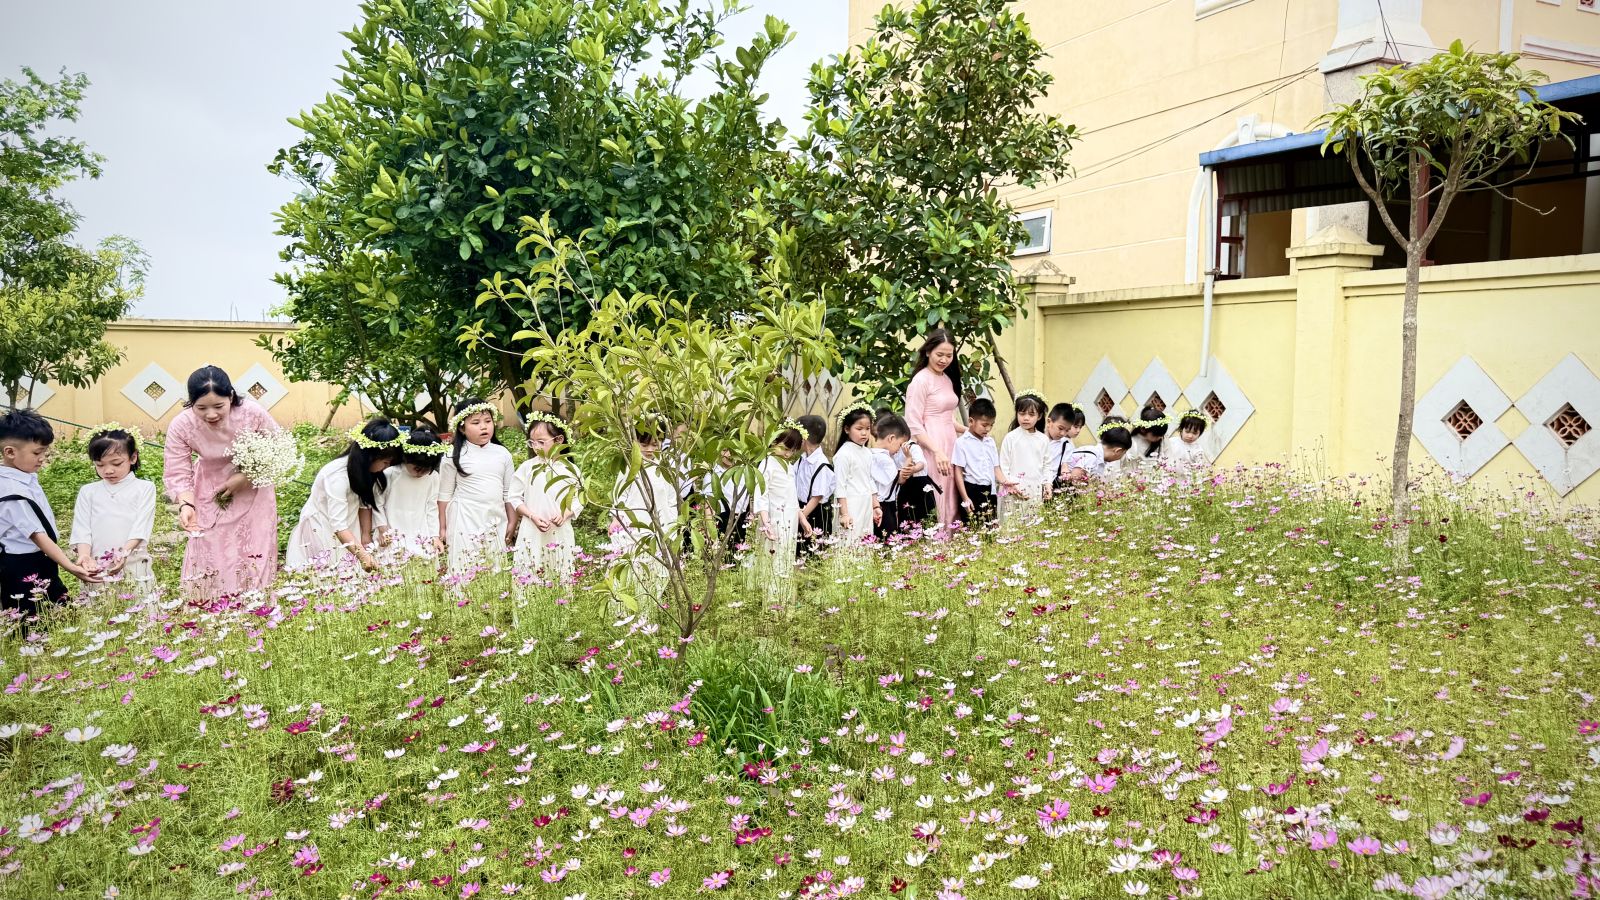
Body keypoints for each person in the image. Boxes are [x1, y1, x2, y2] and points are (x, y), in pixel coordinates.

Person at [164, 365, 284, 598]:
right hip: (210, 490)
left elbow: (278, 449)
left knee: (254, 548)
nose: (211, 415)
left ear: (230, 397)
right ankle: (213, 604)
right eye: (201, 408)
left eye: (218, 406)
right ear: (191, 403)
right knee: (212, 548)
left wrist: (246, 476)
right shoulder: (182, 425)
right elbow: (177, 471)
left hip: (254, 488)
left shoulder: (251, 413)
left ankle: (256, 604)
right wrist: (186, 504)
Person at [1, 409, 99, 616]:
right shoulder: (12, 492)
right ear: (10, 452)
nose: (42, 458)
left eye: (44, 452)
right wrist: (70, 567)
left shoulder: (24, 476)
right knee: (31, 620)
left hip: (41, 559)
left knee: (60, 612)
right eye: (36, 453)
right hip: (22, 566)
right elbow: (37, 535)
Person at [287, 418, 405, 571]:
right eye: (386, 462)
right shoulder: (337, 477)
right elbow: (338, 525)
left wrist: (365, 536)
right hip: (323, 528)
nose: (387, 467)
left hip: (348, 527)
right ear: (370, 456)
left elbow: (364, 503)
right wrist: (363, 555)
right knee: (330, 572)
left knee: (352, 572)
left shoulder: (366, 470)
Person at [70, 424, 157, 599]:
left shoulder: (144, 488)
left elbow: (141, 527)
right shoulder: (88, 491)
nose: (108, 470)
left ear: (133, 457)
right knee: (100, 606)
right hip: (96, 565)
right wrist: (85, 556)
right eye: (100, 465)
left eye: (116, 463)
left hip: (133, 561)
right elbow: (82, 528)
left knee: (137, 604)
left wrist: (124, 553)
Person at [439, 399, 517, 577]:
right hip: (464, 518)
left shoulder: (502, 454)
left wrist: (512, 521)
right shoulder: (452, 455)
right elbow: (444, 494)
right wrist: (442, 527)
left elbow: (509, 493)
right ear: (462, 428)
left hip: (495, 518)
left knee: (494, 568)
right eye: (475, 422)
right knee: (464, 567)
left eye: (488, 421)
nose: (484, 427)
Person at [510, 412, 584, 585]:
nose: (536, 447)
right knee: (530, 570)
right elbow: (514, 496)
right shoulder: (528, 467)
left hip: (560, 530)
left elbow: (579, 498)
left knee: (560, 571)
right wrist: (531, 516)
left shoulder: (570, 469)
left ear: (559, 440)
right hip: (531, 530)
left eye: (541, 442)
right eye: (532, 442)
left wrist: (565, 513)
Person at [903, 329, 965, 529]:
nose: (944, 360)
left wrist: (970, 432)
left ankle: (952, 542)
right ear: (928, 351)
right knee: (936, 497)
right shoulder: (920, 381)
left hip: (950, 445)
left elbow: (949, 419)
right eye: (940, 354)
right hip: (931, 447)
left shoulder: (947, 379)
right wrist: (936, 451)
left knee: (952, 497)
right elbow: (913, 424)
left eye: (949, 355)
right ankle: (935, 542)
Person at [611, 428, 679, 604]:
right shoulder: (629, 466)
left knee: (657, 574)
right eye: (644, 444)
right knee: (632, 573)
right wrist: (616, 519)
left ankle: (650, 610)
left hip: (661, 528)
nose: (649, 450)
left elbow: (672, 501)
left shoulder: (665, 467)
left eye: (654, 445)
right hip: (634, 528)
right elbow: (620, 497)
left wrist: (673, 527)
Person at [373, 427, 446, 556]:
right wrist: (382, 529)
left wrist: (434, 536)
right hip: (391, 532)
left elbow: (431, 507)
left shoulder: (433, 477)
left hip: (421, 532)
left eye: (426, 469)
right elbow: (377, 504)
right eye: (417, 468)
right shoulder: (390, 474)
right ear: (406, 458)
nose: (421, 473)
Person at [752, 420, 803, 601]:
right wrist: (766, 523)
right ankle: (771, 602)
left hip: (790, 520)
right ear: (773, 442)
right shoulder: (767, 463)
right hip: (774, 519)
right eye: (785, 448)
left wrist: (803, 520)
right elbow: (761, 495)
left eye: (793, 450)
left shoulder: (788, 465)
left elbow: (792, 496)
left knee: (785, 558)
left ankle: (784, 599)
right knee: (773, 559)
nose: (788, 454)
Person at [998, 391, 1051, 525]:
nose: (1026, 418)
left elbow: (1046, 465)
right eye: (1022, 413)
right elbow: (1003, 466)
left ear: (1039, 416)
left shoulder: (1043, 440)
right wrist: (1011, 485)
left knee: (1032, 529)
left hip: (1034, 491)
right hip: (1013, 491)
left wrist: (1047, 485)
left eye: (1031, 414)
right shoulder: (1011, 438)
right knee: (1011, 527)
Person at [832, 405, 880, 550]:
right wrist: (844, 514)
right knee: (849, 543)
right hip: (850, 505)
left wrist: (875, 506)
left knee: (865, 542)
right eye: (859, 429)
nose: (864, 433)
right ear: (847, 429)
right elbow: (840, 486)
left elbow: (869, 479)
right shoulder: (843, 454)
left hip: (865, 504)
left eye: (867, 428)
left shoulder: (867, 452)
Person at [951, 398, 1003, 525]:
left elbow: (996, 468)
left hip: (990, 491)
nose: (988, 429)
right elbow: (958, 472)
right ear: (971, 421)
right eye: (984, 425)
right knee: (973, 528)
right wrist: (965, 498)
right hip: (971, 491)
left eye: (991, 425)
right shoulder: (962, 443)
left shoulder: (990, 442)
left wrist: (1006, 482)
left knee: (991, 528)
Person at [792, 414, 834, 552]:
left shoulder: (821, 465)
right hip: (801, 509)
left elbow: (817, 497)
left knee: (814, 550)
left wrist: (801, 517)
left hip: (816, 513)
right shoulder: (802, 459)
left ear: (803, 438)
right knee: (800, 551)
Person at [869, 413, 912, 540]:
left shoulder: (869, 455)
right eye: (900, 444)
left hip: (871, 506)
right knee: (888, 541)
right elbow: (900, 479)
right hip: (884, 507)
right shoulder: (885, 460)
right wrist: (908, 459)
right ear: (891, 438)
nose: (899, 449)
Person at [1063, 418, 1134, 483]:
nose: (1122, 456)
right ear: (1117, 451)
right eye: (1124, 453)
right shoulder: (1091, 456)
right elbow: (1075, 479)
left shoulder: (1098, 456)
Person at [1045, 403, 1087, 490]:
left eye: (1067, 430)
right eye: (1060, 428)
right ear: (1049, 422)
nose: (1063, 433)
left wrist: (1066, 473)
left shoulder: (1066, 445)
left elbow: (1063, 466)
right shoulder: (1036, 437)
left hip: (1047, 485)